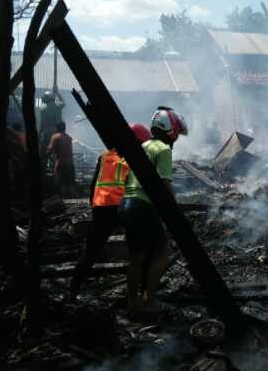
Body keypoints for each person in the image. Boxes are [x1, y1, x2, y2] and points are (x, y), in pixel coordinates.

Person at [66, 123, 153, 302]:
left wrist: (94, 206)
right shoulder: (136, 157)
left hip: (102, 207)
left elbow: (94, 184)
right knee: (140, 252)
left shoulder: (105, 156)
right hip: (125, 208)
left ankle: (72, 291)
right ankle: (141, 296)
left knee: (90, 251)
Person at [119, 106, 188, 320]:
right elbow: (164, 183)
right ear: (171, 130)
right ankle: (148, 299)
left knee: (137, 257)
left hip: (127, 204)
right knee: (164, 253)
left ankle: (132, 304)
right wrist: (174, 209)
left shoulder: (143, 145)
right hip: (144, 205)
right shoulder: (163, 149)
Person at [47, 121, 75, 197]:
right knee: (70, 183)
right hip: (70, 163)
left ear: (57, 128)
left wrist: (44, 156)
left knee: (60, 183)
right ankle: (72, 199)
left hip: (60, 163)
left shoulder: (55, 137)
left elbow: (49, 150)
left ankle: (63, 200)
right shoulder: (69, 137)